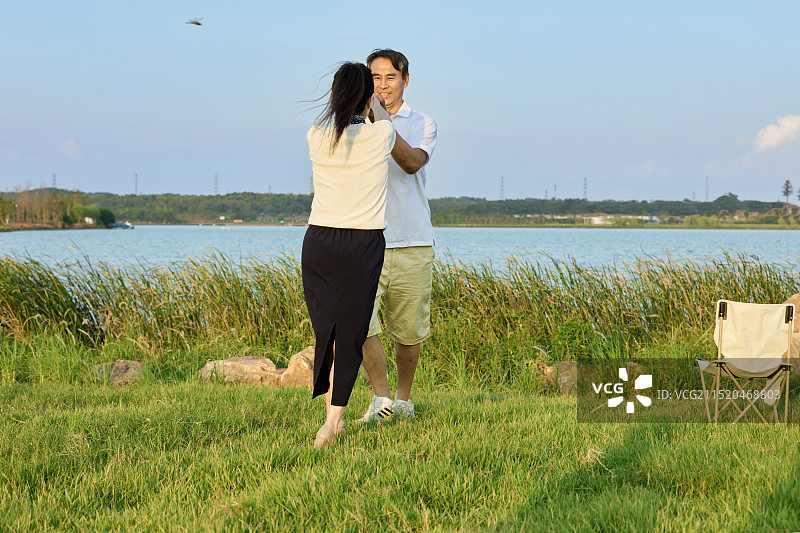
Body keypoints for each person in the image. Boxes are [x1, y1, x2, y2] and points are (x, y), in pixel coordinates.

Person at [303, 62, 394, 448]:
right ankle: (330, 424)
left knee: (328, 331)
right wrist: (376, 106)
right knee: (352, 333)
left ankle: (333, 420)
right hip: (362, 243)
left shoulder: (315, 136)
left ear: (334, 96)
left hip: (318, 241)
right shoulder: (382, 133)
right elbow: (382, 120)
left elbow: (345, 121)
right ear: (368, 97)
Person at [358, 49, 438, 422]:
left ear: (405, 80)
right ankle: (382, 401)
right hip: (364, 239)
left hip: (412, 240)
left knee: (409, 331)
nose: (382, 85)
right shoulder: (355, 123)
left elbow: (410, 164)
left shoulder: (422, 121)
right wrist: (365, 119)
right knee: (360, 323)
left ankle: (403, 402)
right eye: (375, 78)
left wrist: (383, 123)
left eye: (390, 77)